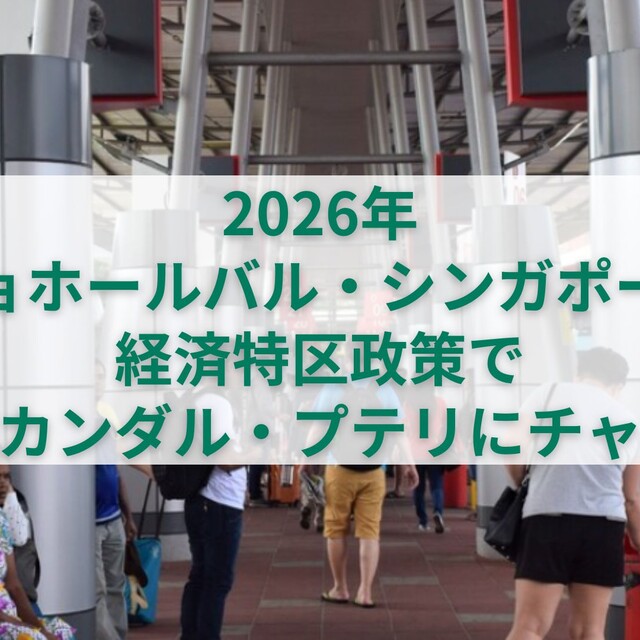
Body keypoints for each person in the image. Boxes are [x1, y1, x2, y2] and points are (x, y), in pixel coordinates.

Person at [505, 347, 640, 640]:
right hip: (604, 526)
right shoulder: (629, 420)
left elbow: (512, 448)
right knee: (588, 630)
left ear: (579, 373)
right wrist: (638, 539)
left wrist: (522, 482)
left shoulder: (548, 394)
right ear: (618, 384)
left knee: (530, 626)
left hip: (548, 517)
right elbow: (631, 499)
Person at [0, 509, 74, 640]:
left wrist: (41, 629)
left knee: (61, 630)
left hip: (9, 615)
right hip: (4, 619)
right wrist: (34, 630)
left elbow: (14, 586)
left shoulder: (1, 521)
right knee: (34, 637)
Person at [95, 466, 136, 640]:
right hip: (90, 524)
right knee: (97, 589)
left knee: (116, 585)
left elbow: (118, 477)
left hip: (113, 519)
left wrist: (128, 517)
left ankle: (118, 634)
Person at [0, 466, 41, 612]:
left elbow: (20, 538)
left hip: (19, 594)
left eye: (6, 477)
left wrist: (10, 496)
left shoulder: (15, 500)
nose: (3, 483)